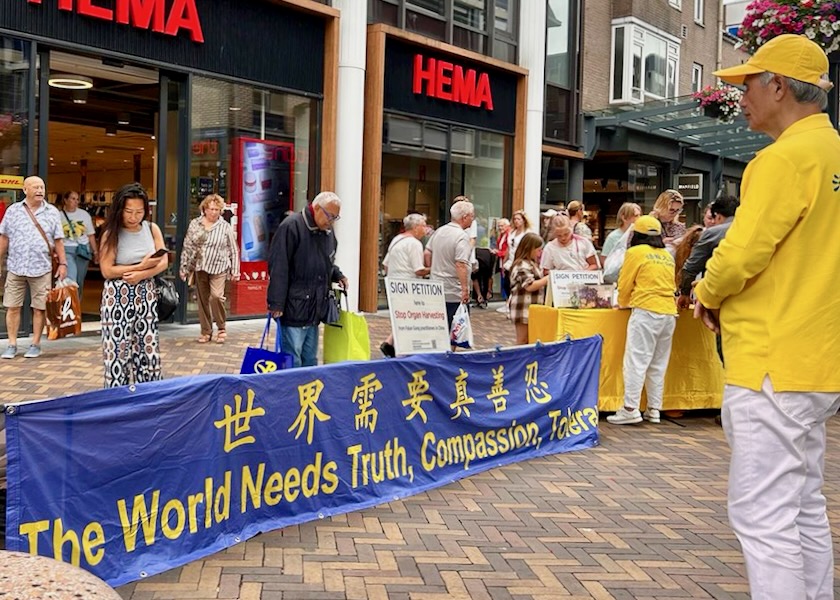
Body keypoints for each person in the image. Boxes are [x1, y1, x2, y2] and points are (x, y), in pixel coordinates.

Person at [692, 35, 840, 600]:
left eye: (747, 84)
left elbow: (742, 252)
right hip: (817, 359)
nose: (740, 96)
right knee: (803, 506)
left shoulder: (782, 159)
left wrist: (706, 290)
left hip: (771, 361)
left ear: (778, 86)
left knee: (764, 516)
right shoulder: (830, 152)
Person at [606, 215, 677, 426]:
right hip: (669, 312)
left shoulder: (635, 252)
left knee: (636, 361)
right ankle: (654, 408)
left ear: (637, 234)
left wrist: (623, 302)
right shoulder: (666, 255)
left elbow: (625, 282)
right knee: (658, 363)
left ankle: (630, 408)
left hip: (646, 310)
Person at [99, 182, 168, 387]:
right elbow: (107, 270)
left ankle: (150, 395)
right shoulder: (111, 233)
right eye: (129, 211)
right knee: (117, 352)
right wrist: (141, 266)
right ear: (120, 209)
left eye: (139, 211)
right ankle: (116, 400)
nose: (133, 216)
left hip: (146, 294)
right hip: (117, 296)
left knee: (149, 349)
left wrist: (142, 273)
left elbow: (163, 260)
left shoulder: (151, 228)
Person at [267, 191, 348, 368]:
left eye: (336, 217)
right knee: (293, 357)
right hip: (294, 306)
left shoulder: (327, 231)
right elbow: (278, 266)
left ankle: (308, 393)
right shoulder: (291, 226)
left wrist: (337, 274)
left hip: (315, 307)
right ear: (317, 208)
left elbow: (326, 260)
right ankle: (292, 393)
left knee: (310, 359)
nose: (332, 221)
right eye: (330, 216)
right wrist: (276, 304)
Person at [0, 176, 67, 360]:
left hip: (42, 267)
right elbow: (4, 238)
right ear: (25, 190)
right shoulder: (13, 211)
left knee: (39, 308)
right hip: (16, 266)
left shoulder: (52, 212)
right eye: (36, 187)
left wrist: (62, 263)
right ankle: (12, 344)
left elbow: (59, 240)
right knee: (12, 306)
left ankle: (35, 344)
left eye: (42, 187)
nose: (40, 190)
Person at [179, 194, 240, 344]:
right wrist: (184, 268)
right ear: (204, 209)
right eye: (211, 209)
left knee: (216, 296)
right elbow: (188, 246)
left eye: (217, 209)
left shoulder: (224, 226)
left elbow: (233, 249)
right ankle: (206, 331)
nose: (213, 212)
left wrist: (235, 270)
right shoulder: (195, 224)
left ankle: (221, 327)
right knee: (202, 300)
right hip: (200, 266)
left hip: (219, 266)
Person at [380, 212, 430, 357]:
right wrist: (434, 269)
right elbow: (419, 270)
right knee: (410, 318)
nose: (425, 229)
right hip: (408, 287)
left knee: (402, 317)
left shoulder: (397, 239)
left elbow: (386, 265)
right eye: (423, 225)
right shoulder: (414, 244)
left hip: (395, 285)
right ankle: (394, 346)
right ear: (415, 227)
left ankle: (390, 343)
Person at [676, 195, 739, 309]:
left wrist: (685, 293)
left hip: (718, 296)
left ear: (718, 216)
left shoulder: (712, 233)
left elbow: (691, 267)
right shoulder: (755, 231)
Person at [424, 200, 473, 333]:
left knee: (438, 327)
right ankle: (448, 353)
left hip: (436, 287)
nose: (473, 219)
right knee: (455, 329)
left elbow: (427, 252)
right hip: (453, 290)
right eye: (471, 216)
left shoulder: (440, 231)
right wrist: (464, 289)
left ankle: (438, 352)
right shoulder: (461, 236)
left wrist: (432, 270)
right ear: (464, 217)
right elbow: (460, 264)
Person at [508, 232, 550, 345]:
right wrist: (547, 279)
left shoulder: (533, 264)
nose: (540, 253)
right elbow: (529, 286)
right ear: (530, 249)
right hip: (522, 307)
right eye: (538, 250)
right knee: (522, 339)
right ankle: (518, 362)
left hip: (533, 306)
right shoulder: (521, 265)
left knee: (531, 339)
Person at [57, 190, 98, 302]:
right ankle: (68, 306)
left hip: (82, 249)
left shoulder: (84, 215)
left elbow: (90, 235)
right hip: (66, 249)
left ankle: (76, 306)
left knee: (79, 280)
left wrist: (95, 252)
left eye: (77, 199)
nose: (76, 202)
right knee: (71, 277)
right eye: (73, 199)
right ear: (65, 200)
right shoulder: (58, 216)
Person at [493, 217, 511, 299]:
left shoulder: (509, 235)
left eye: (502, 226)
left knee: (506, 282)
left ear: (507, 226)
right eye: (499, 226)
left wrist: (498, 252)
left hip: (507, 261)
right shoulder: (501, 235)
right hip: (501, 261)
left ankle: (507, 300)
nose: (500, 228)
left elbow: (509, 250)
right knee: (503, 281)